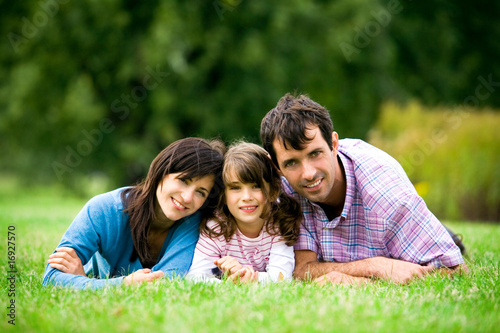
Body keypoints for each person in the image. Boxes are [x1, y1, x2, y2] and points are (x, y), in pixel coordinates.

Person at [260, 93, 468, 285]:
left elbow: (456, 271)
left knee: (420, 245)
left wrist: (378, 268)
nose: (308, 173)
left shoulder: (386, 193)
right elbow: (302, 270)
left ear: (334, 144)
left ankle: (442, 233)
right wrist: (376, 268)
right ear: (276, 166)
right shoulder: (282, 189)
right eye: (291, 163)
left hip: (393, 221)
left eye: (315, 153)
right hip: (367, 246)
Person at [43, 137, 225, 289]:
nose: (187, 197)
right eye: (184, 180)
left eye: (200, 192)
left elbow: (165, 284)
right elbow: (51, 277)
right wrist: (121, 284)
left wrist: (83, 283)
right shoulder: (103, 209)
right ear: (161, 172)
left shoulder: (194, 223)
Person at [186, 142, 301, 284]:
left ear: (273, 192)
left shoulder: (278, 224)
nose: (247, 197)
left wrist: (247, 277)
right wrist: (228, 282)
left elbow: (281, 278)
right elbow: (195, 277)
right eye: (235, 188)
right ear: (224, 196)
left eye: (256, 186)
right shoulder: (216, 228)